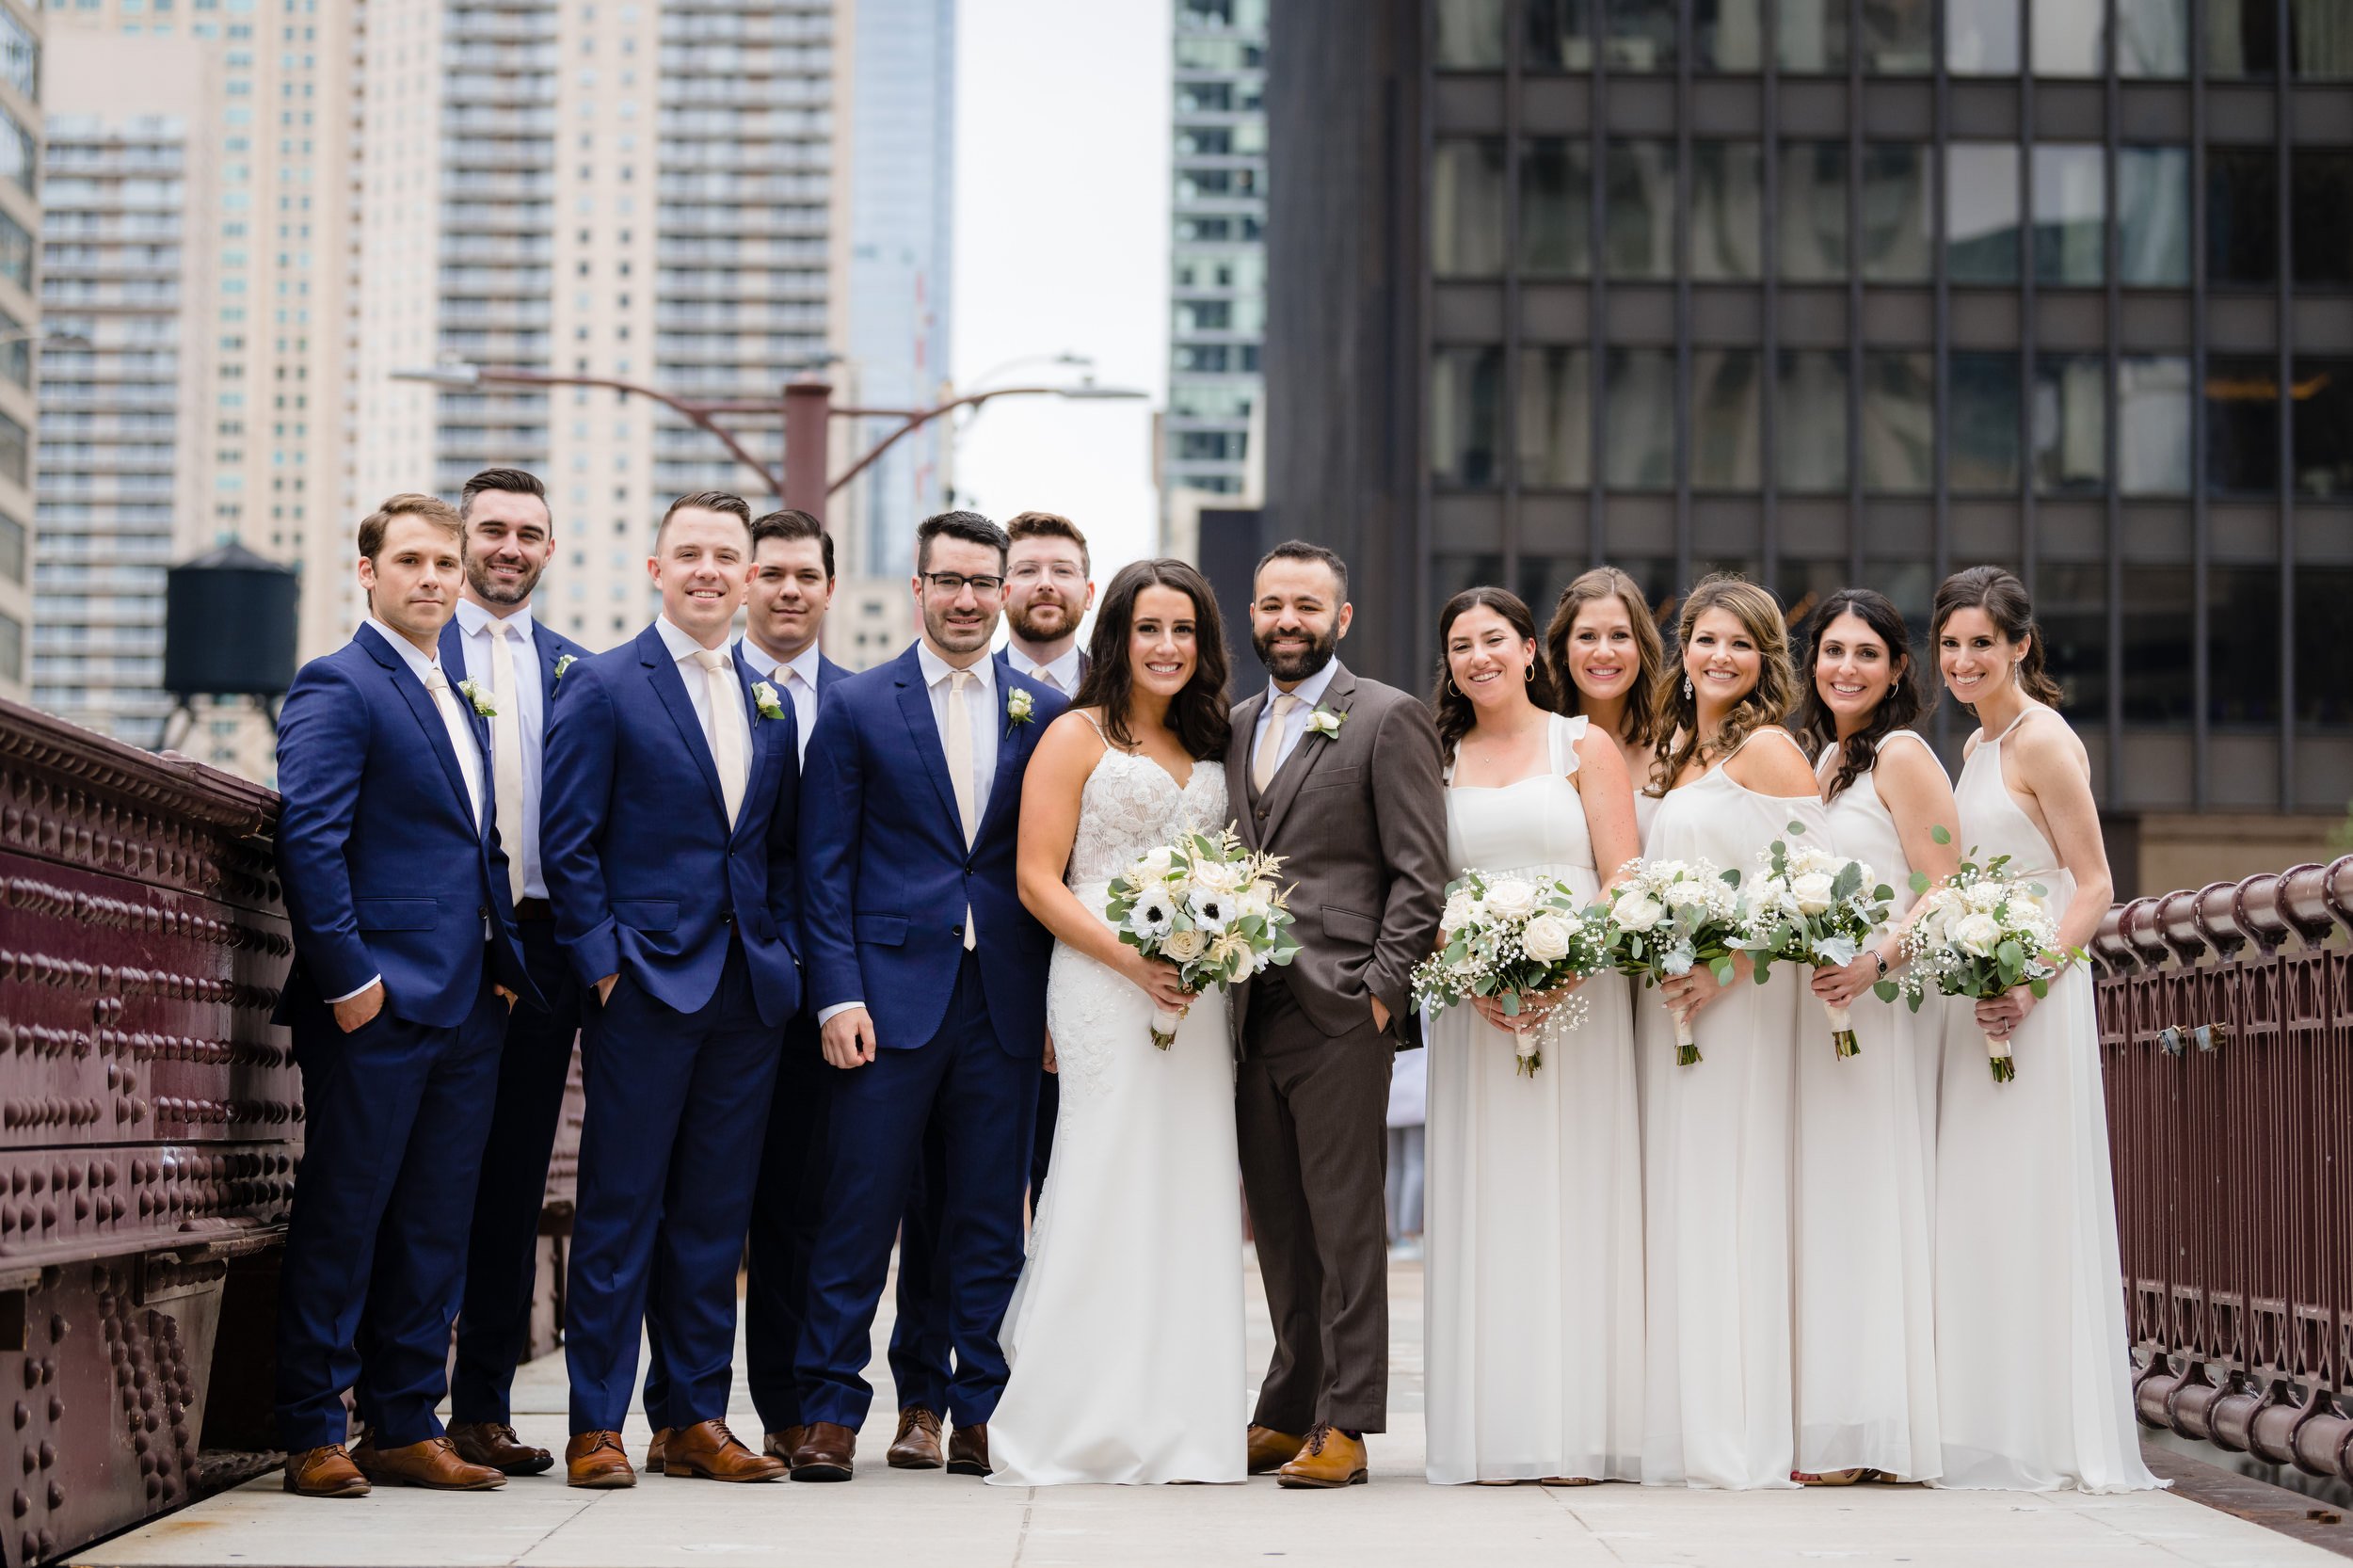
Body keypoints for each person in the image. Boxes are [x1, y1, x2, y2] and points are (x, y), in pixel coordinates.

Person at [272, 493, 538, 1496]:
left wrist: (502, 976)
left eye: (446, 565)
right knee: (345, 1214)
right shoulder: (339, 684)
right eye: (413, 561)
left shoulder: (451, 687)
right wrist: (349, 980)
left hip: (470, 1002)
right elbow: (310, 837)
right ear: (369, 573)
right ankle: (310, 1428)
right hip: (377, 1002)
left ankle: (403, 1421)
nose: (433, 578)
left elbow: (481, 840)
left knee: (435, 1221)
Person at [791, 511, 1065, 1483]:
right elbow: (822, 869)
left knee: (990, 1220)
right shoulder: (860, 706)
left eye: (980, 583)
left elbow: (1053, 866)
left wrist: (1054, 1014)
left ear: (1001, 592)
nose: (964, 599)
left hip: (1003, 1003)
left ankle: (967, 1408)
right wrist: (836, 996)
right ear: (917, 588)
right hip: (883, 1002)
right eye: (946, 581)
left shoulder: (1044, 711)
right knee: (857, 1213)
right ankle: (827, 1408)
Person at [542, 490, 804, 1489]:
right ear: (655, 569)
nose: (707, 570)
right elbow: (567, 843)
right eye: (687, 553)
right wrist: (606, 964)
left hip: (745, 993)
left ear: (747, 574)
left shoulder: (767, 697)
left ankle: (693, 1415)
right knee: (620, 1208)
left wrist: (774, 950)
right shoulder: (604, 685)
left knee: (712, 1215)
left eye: (725, 556)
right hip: (645, 987)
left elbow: (772, 845)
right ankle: (596, 1424)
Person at [985, 559, 1246, 1486]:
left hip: (1197, 989)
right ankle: (1078, 1411)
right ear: (1117, 636)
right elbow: (1034, 878)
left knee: (1188, 1181)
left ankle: (1183, 1415)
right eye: (1148, 628)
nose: (1167, 646)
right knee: (1105, 1171)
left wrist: (1212, 950)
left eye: (1184, 629)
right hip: (1102, 979)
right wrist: (1131, 960)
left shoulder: (1215, 740)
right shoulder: (1074, 734)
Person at [872, 510, 1103, 1464]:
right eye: (1030, 569)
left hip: (1074, 1001)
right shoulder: (957, 686)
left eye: (1064, 569)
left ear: (1089, 590)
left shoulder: (1110, 699)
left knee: (1068, 1203)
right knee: (945, 1200)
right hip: (957, 993)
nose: (1043, 584)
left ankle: (1048, 1390)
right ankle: (928, 1397)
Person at [1929, 566, 2158, 1493]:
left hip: (2031, 992)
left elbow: (2093, 882)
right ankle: (1983, 1420)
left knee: (2030, 1197)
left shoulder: (2040, 740)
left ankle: (2046, 1434)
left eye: (1981, 642)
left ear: (2021, 645)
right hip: (1974, 993)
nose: (1962, 659)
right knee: (1977, 1204)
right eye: (1948, 643)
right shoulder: (1974, 750)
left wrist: (2027, 984)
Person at [1225, 540, 1448, 1490]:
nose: (1288, 619)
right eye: (1273, 603)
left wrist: (1380, 991)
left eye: (1306, 605)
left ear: (1340, 618)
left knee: (1346, 1223)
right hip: (1248, 1010)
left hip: (1340, 1010)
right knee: (1276, 1222)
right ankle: (1286, 1408)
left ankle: (1348, 1421)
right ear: (1254, 612)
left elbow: (1421, 870)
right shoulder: (1231, 725)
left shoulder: (1388, 717)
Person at [638, 508, 849, 1473]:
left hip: (823, 994)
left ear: (829, 588)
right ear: (746, 584)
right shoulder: (689, 687)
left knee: (800, 1206)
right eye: (770, 572)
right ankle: (684, 1407)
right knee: (696, 1203)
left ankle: (791, 1408)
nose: (787, 588)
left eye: (807, 573)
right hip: (703, 985)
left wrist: (826, 975)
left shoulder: (858, 701)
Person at [1420, 587, 1643, 1488]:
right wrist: (1472, 972)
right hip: (1476, 1013)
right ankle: (1498, 1427)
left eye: (1493, 641)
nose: (1478, 657)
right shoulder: (1436, 758)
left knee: (1580, 1199)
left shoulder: (1581, 745)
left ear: (1527, 652)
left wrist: (1564, 968)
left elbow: (1623, 875)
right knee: (1495, 1201)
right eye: (1460, 645)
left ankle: (1583, 1431)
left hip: (1581, 1006)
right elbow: (1423, 887)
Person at [1640, 574, 1823, 1491]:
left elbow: (1806, 890)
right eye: (1705, 640)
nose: (1718, 657)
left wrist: (1724, 967)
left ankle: (1746, 1429)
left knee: (1737, 1190)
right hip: (1674, 1000)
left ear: (1764, 659)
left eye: (1739, 645)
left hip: (1740, 1002)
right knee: (1689, 1194)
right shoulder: (1679, 751)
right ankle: (1690, 1415)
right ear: (1684, 648)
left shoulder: (1769, 750)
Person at [435, 468, 593, 1480]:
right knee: (421, 1179)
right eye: (491, 529)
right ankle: (389, 1401)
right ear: (461, 539)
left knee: (511, 1184)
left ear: (549, 548)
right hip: (443, 946)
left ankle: (482, 1406)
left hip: (546, 949)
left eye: (528, 532)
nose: (509, 546)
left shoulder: (581, 671)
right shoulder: (415, 653)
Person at [1788, 589, 1953, 1486]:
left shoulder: (1901, 753)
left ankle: (1877, 1433)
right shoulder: (1825, 760)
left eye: (1864, 653)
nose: (1843, 667)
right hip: (1822, 1012)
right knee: (1834, 1209)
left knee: (1872, 1201)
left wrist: (1877, 962)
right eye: (1830, 650)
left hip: (1881, 1008)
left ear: (1896, 669)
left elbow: (1946, 879)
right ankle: (1842, 1420)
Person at [1545, 567, 1668, 846]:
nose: (1603, 652)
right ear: (1564, 649)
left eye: (1619, 636)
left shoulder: (1677, 746)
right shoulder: (1539, 740)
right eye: (1587, 636)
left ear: (1642, 646)